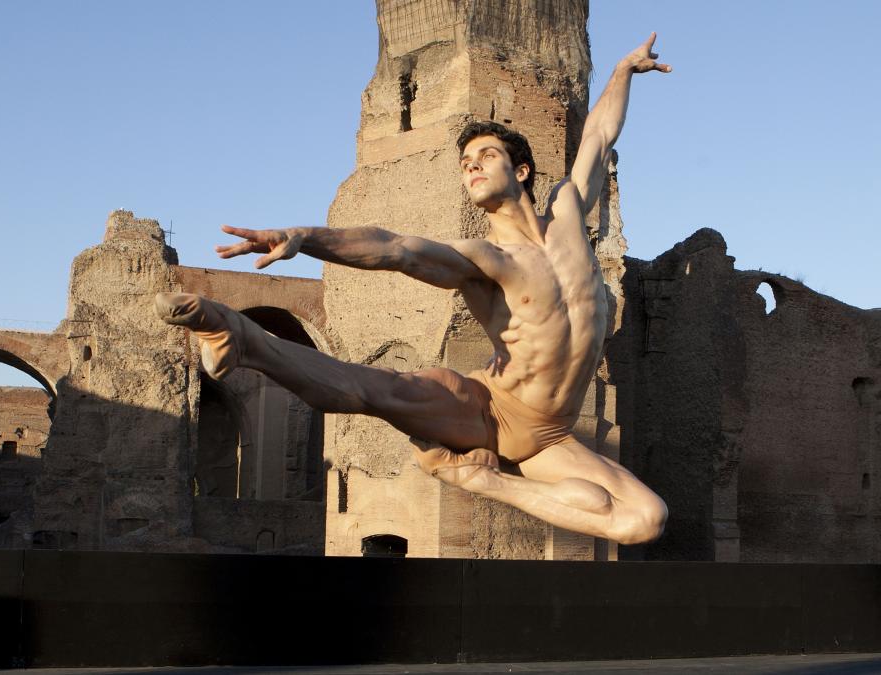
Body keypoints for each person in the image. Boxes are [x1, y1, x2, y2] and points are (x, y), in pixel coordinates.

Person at [156, 34, 671, 545]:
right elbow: (397, 248)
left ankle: (483, 481)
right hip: (490, 411)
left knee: (644, 520)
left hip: (553, 437)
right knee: (375, 390)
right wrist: (305, 238)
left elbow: (601, 135)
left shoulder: (567, 213)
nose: (470, 164)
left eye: (484, 155)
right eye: (464, 161)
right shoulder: (484, 258)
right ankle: (242, 338)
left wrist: (623, 71)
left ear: (521, 170)